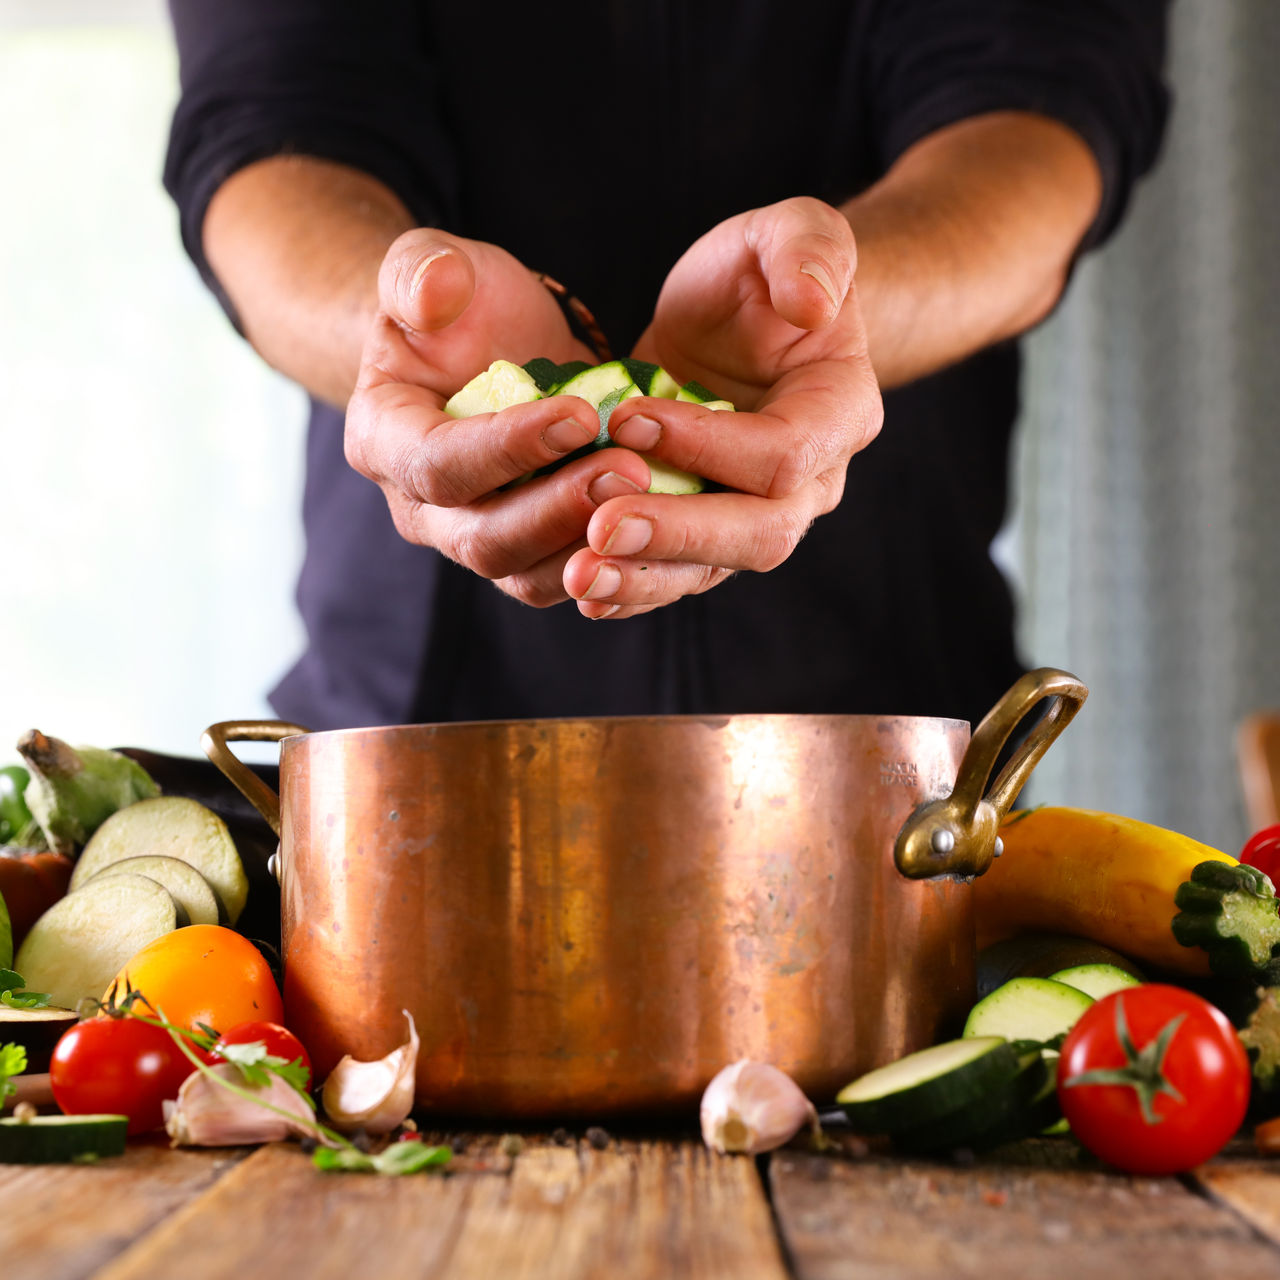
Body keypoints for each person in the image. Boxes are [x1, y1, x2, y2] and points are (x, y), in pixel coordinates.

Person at [163, 1, 1169, 733]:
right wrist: (404, 327)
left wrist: (831, 304)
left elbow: (1037, 104)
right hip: (402, 730)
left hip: (889, 726)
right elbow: (267, 119)